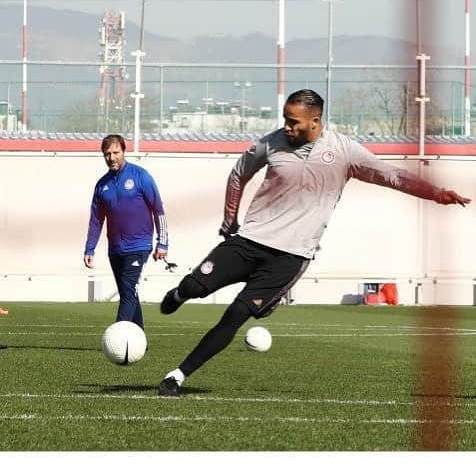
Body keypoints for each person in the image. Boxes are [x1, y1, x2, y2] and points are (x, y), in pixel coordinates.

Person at [157, 89, 470, 397]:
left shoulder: (344, 152)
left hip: (290, 257)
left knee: (235, 316)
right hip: (250, 240)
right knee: (195, 288)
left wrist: (436, 193)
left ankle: (177, 375)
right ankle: (179, 293)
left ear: (315, 121)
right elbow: (239, 174)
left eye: (294, 122)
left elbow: (392, 176)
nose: (287, 127)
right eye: (285, 119)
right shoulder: (271, 143)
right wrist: (229, 219)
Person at [84, 134, 168, 329]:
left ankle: (119, 336)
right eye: (107, 154)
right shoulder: (102, 185)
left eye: (116, 152)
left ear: (124, 151)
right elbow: (96, 220)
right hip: (115, 249)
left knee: (128, 292)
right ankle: (139, 339)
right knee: (128, 293)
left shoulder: (141, 176)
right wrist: (90, 248)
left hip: (139, 246)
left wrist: (162, 243)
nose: (112, 158)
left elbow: (158, 210)